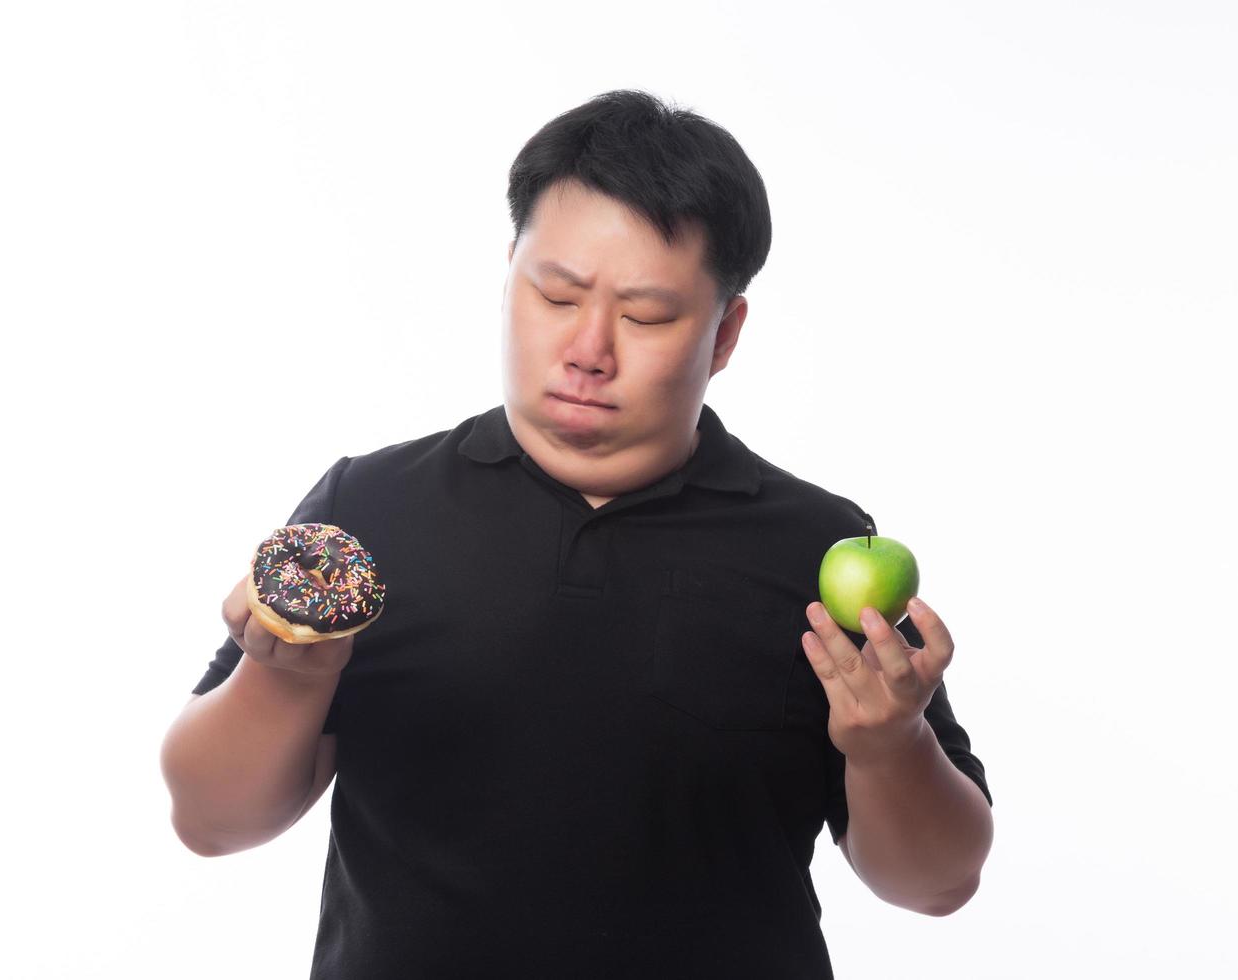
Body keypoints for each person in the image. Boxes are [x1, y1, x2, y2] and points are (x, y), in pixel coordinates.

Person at [160, 88, 993, 980]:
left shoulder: (818, 549)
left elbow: (936, 885)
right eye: (555, 296)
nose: (589, 349)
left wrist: (888, 744)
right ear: (509, 275)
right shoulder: (369, 510)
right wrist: (286, 680)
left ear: (725, 334)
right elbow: (210, 823)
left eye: (645, 317)